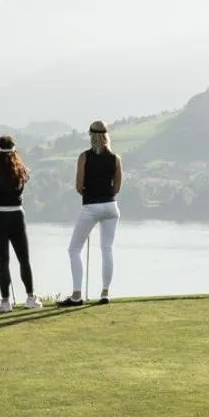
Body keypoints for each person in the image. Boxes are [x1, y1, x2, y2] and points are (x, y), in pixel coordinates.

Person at [59, 120, 123, 307]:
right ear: (106, 135)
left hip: (91, 206)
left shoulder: (84, 157)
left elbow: (79, 186)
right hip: (111, 206)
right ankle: (105, 293)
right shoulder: (115, 158)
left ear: (91, 136)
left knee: (74, 250)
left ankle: (76, 296)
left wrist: (89, 194)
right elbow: (117, 187)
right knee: (107, 249)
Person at [0, 135, 43, 313]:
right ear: (15, 153)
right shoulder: (22, 172)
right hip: (17, 217)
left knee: (3, 262)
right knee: (24, 259)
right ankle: (31, 298)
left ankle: (6, 302)